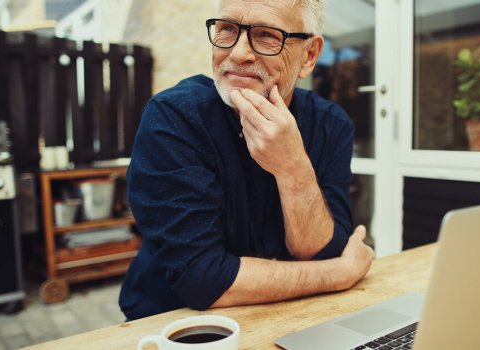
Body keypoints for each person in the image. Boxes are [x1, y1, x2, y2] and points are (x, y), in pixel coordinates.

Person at [119, 0, 375, 320]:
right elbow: (203, 278)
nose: (238, 54)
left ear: (308, 55)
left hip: (293, 314)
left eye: (267, 35)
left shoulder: (330, 124)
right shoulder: (173, 118)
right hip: (175, 324)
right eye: (227, 29)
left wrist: (293, 165)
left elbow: (321, 250)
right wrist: (337, 274)